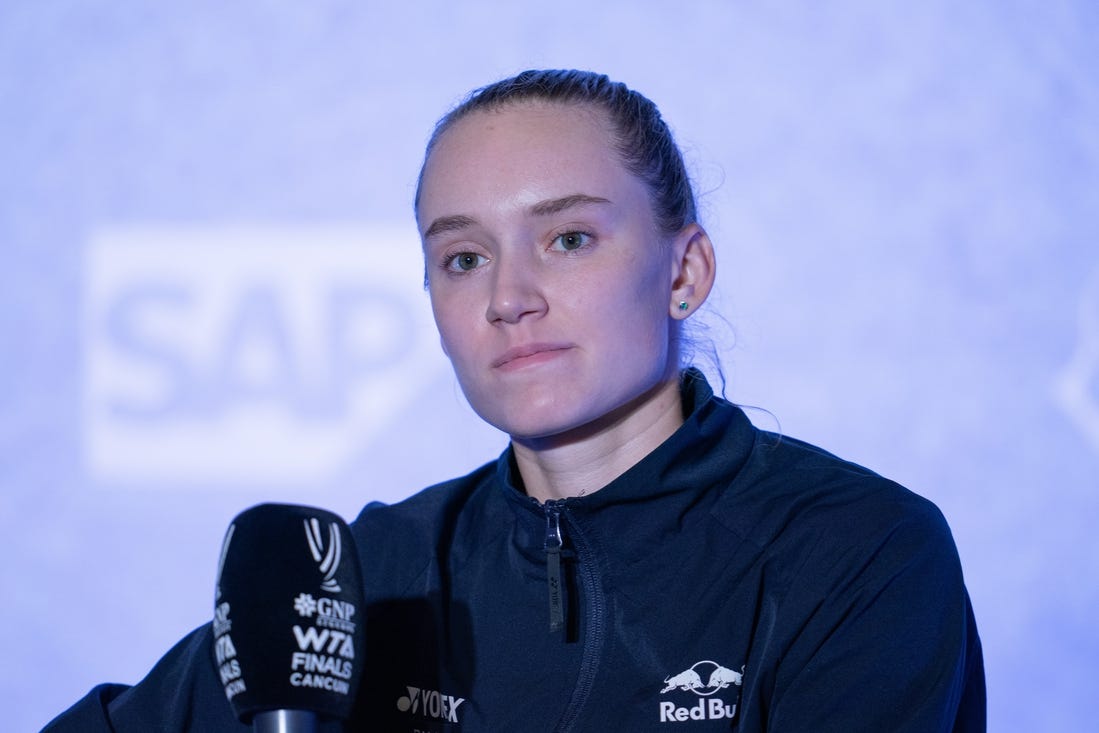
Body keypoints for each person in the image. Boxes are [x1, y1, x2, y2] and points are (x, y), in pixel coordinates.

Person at [45, 69, 985, 732]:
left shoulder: (857, 553)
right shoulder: (376, 569)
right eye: (462, 257)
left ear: (684, 269)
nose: (508, 296)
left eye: (569, 238)